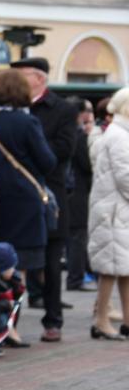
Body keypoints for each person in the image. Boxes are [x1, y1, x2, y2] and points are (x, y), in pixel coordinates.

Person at [0, 69, 56, 345]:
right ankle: (10, 326)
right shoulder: (27, 123)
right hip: (24, 202)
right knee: (20, 269)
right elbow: (47, 161)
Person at [10, 57, 77, 341]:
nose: (18, 82)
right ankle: (10, 324)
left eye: (23, 76)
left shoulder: (62, 109)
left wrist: (31, 146)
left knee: (50, 263)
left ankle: (53, 321)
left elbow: (64, 148)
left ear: (39, 78)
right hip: (18, 195)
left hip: (51, 195)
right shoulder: (13, 106)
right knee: (14, 263)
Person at [87, 86, 129, 340]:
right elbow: (126, 177)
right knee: (111, 269)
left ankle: (124, 319)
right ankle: (101, 320)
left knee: (122, 268)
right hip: (115, 213)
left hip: (116, 211)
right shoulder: (120, 136)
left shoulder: (118, 133)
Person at [66, 97, 96, 292]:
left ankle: (78, 275)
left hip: (71, 190)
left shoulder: (68, 132)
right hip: (79, 191)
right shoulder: (79, 135)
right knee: (78, 236)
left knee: (75, 236)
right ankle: (76, 278)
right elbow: (87, 164)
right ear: (82, 114)